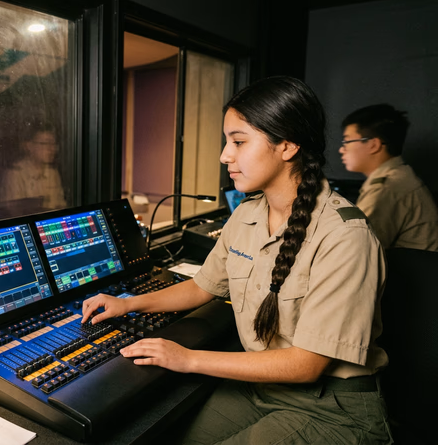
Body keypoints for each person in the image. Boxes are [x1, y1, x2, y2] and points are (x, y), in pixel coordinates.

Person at [82, 77, 392, 444]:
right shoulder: (247, 215)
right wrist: (128, 304)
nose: (224, 155)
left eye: (239, 142)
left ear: (288, 144)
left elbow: (305, 365)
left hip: (330, 407)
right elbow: (202, 287)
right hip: (261, 387)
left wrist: (189, 359)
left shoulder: (345, 236)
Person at [340, 104, 438, 251]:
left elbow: (356, 249)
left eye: (347, 141)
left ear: (374, 145)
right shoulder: (400, 176)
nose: (342, 149)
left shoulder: (387, 189)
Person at [0, 121, 67, 211]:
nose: (52, 149)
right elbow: (15, 213)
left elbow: (61, 205)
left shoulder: (52, 172)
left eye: (54, 144)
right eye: (45, 143)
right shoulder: (15, 174)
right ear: (29, 146)